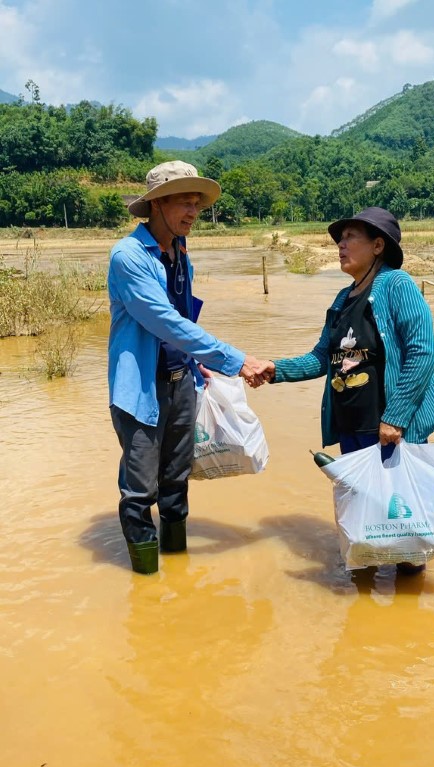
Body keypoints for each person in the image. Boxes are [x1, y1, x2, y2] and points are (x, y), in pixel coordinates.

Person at [255, 207, 434, 574]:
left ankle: (409, 616)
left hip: (388, 431)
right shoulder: (342, 299)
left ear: (377, 246)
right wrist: (275, 370)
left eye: (349, 237)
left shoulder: (396, 285)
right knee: (363, 530)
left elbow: (423, 351)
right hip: (351, 428)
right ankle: (364, 604)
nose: (340, 245)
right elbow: (321, 358)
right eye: (340, 239)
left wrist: (396, 417)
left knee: (403, 528)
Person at [108, 160, 266, 575]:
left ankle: (176, 574)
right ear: (157, 204)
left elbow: (184, 319)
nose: (194, 212)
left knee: (176, 482)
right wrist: (236, 360)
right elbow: (163, 320)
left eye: (197, 203)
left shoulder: (179, 254)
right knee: (141, 489)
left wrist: (199, 362)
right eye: (184, 202)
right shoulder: (128, 256)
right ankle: (145, 582)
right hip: (141, 387)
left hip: (182, 383)